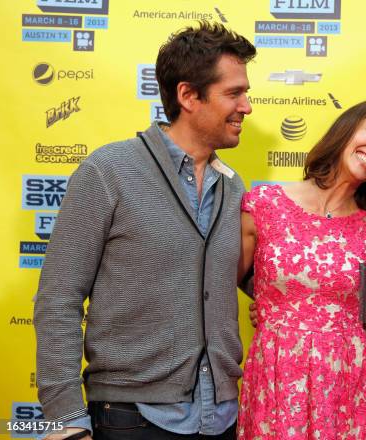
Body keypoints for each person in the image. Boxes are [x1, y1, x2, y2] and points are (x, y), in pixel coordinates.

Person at [34, 21, 256, 440]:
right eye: (234, 93)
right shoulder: (109, 171)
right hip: (131, 420)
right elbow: (58, 300)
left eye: (245, 93)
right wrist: (65, 420)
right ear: (188, 95)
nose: (246, 106)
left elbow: (233, 280)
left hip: (222, 418)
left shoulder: (233, 184)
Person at [237, 99, 366, 439]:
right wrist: (274, 305)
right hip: (278, 376)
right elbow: (224, 279)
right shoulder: (265, 203)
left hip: (349, 381)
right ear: (346, 130)